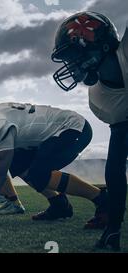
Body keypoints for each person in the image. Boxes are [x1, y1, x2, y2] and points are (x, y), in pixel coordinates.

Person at [0, 85, 108, 230]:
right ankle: (59, 205)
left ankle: (103, 199)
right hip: (56, 132)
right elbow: (4, 159)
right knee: (19, 164)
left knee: (38, 173)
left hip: (71, 128)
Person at [51, 11, 127, 251]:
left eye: (72, 55)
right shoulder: (100, 98)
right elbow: (116, 164)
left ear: (95, 45)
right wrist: (113, 227)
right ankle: (113, 230)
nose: (71, 65)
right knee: (113, 168)